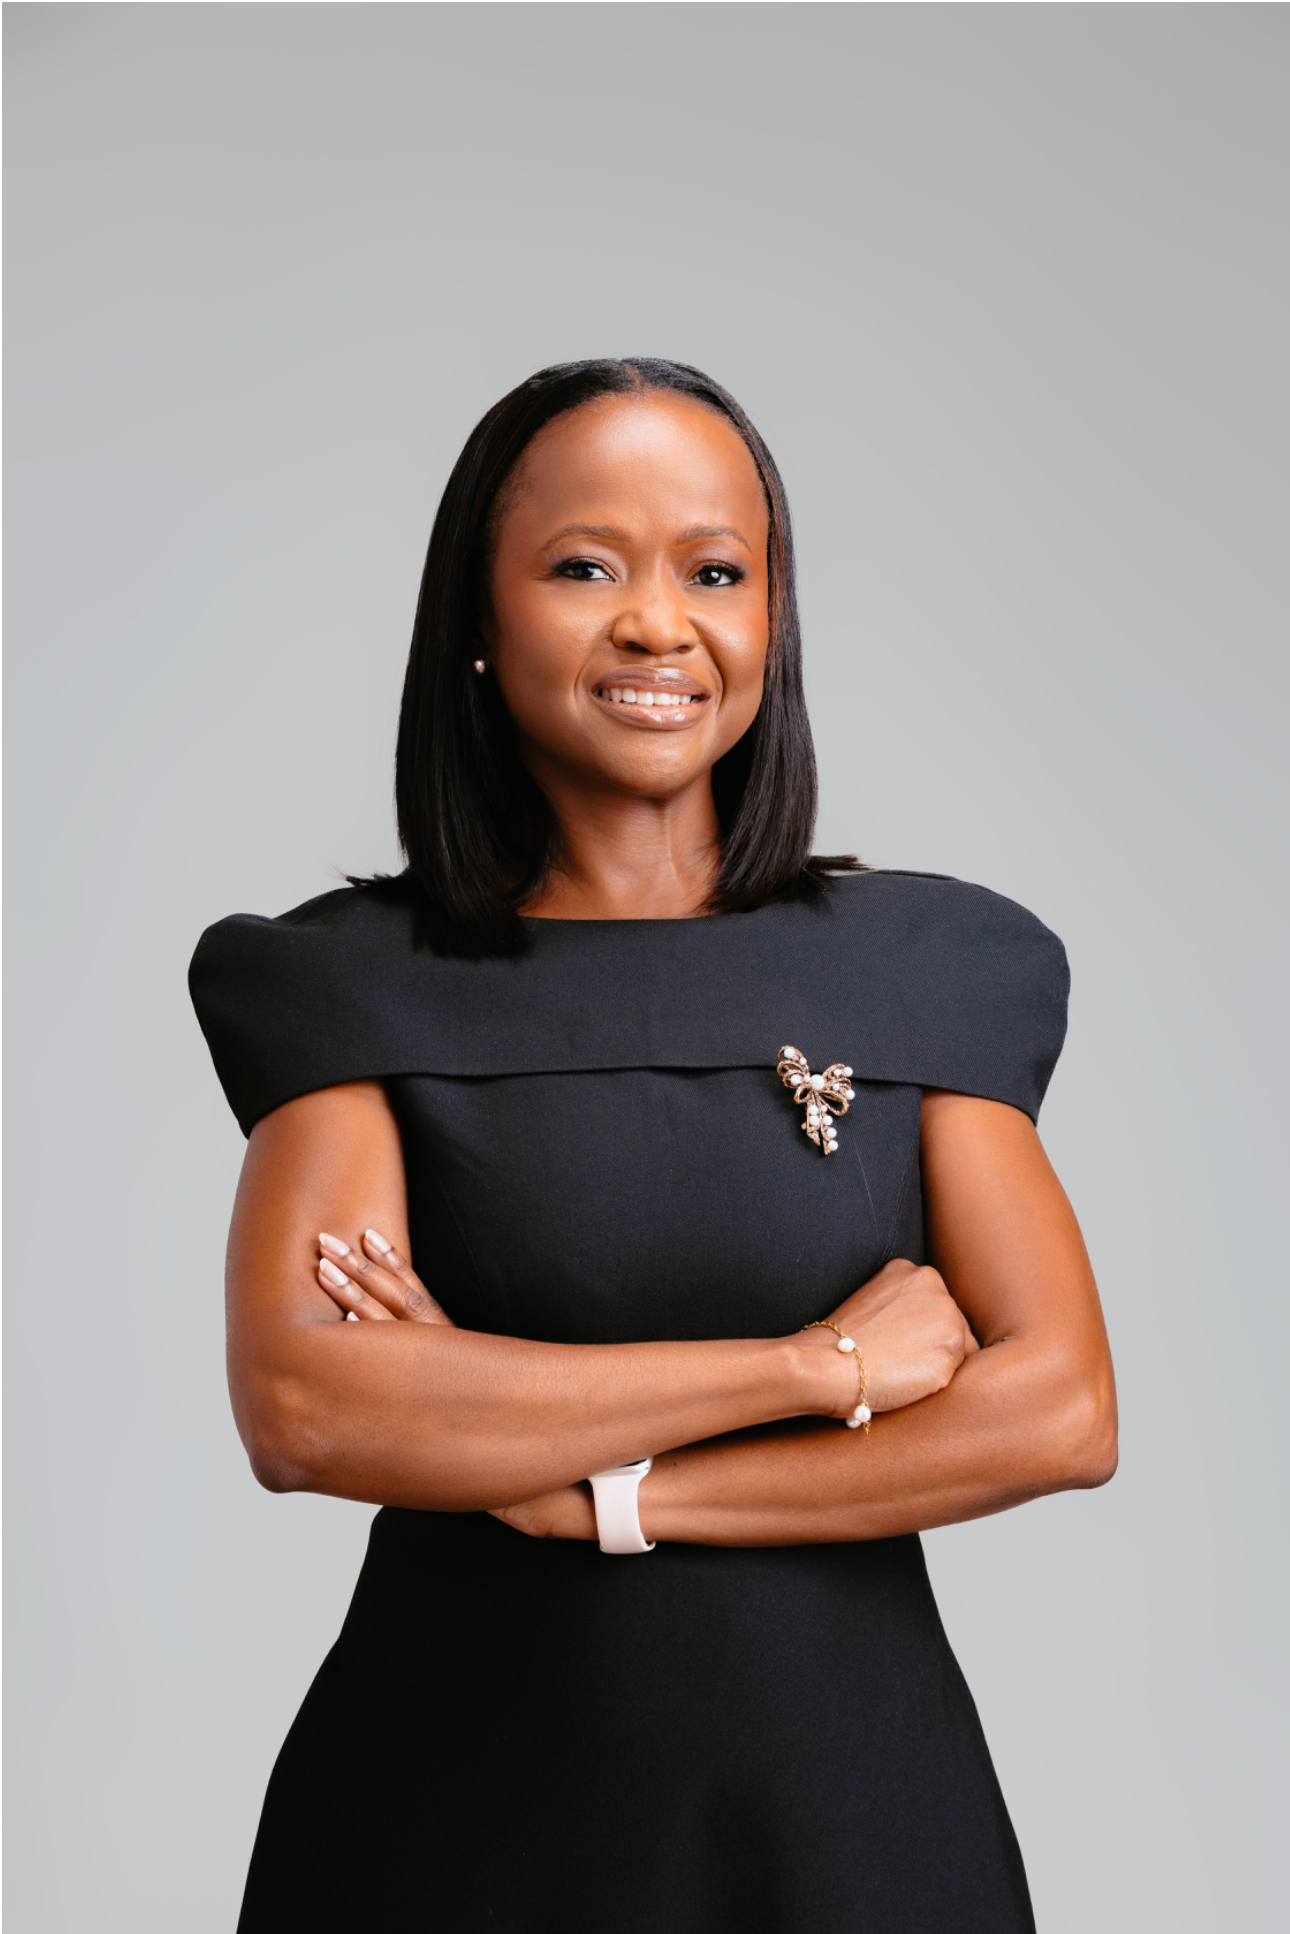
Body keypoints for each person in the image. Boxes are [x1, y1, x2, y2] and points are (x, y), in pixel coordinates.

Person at [190, 357, 1117, 1933]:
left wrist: (598, 1492)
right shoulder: (346, 985)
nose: (656, 623)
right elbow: (312, 1404)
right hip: (449, 1823)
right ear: (475, 616)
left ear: (772, 619)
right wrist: (810, 1369)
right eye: (583, 567)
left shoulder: (928, 972)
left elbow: (1057, 1411)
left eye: (714, 572)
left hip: (847, 1823)